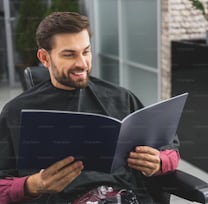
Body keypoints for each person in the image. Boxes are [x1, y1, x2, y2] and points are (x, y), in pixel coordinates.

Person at [0, 12, 180, 204]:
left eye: (86, 51)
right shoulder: (16, 112)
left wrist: (160, 161)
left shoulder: (120, 97)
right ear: (44, 58)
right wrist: (33, 184)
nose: (82, 63)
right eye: (69, 54)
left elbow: (169, 146)